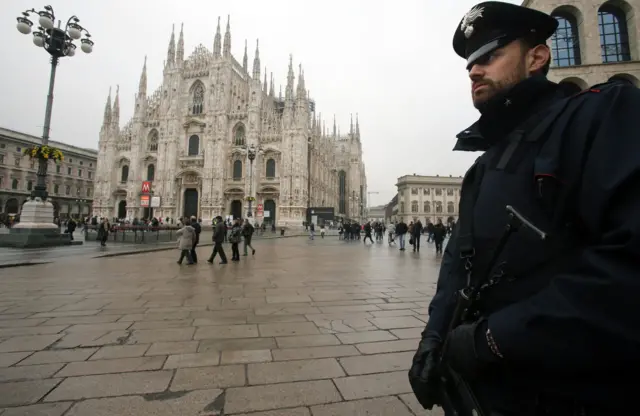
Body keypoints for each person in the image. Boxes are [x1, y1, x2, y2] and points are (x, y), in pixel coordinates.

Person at [408, 2, 640, 415]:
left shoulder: (602, 116)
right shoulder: (484, 166)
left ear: (537, 56)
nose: (475, 71)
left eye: (490, 56)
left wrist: (493, 338)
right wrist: (434, 337)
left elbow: (629, 264)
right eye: (470, 65)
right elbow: (458, 265)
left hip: (575, 392)